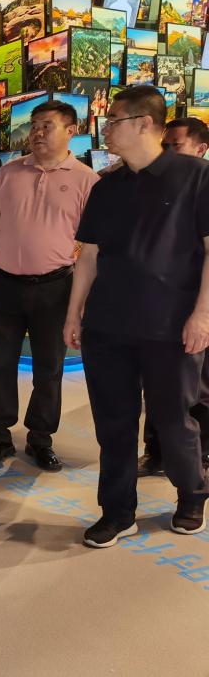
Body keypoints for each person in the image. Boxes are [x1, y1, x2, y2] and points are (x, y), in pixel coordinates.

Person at [64, 86, 209, 548]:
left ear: (145, 123)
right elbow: (89, 255)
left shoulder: (196, 176)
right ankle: (118, 511)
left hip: (172, 327)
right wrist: (74, 313)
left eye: (113, 121)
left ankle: (192, 494)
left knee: (174, 420)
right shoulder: (106, 186)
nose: (105, 129)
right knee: (114, 423)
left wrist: (202, 315)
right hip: (107, 324)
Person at [0, 100, 99, 471]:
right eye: (35, 125)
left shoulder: (86, 180)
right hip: (5, 285)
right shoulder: (9, 172)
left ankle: (40, 438)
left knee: (49, 368)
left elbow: (92, 248)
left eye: (47, 125)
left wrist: (80, 301)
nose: (38, 132)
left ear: (71, 131)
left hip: (55, 288)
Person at [136, 117, 209, 477]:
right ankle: (156, 453)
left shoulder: (203, 185)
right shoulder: (158, 186)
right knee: (157, 384)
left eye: (175, 145)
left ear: (201, 148)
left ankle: (199, 459)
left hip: (199, 306)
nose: (167, 152)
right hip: (161, 307)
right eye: (165, 145)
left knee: (198, 388)